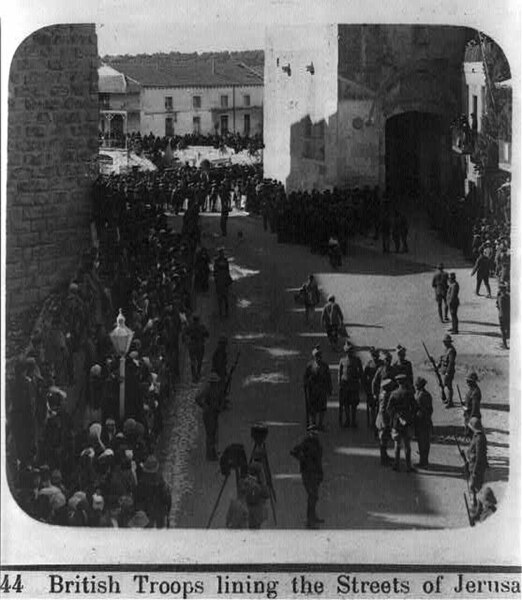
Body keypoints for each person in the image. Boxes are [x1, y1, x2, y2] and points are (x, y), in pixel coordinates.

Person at [290, 424, 324, 528]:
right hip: (308, 473)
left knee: (314, 496)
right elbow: (294, 451)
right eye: (314, 433)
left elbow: (318, 459)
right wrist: (303, 459)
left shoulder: (316, 443)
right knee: (312, 495)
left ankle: (313, 516)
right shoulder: (306, 443)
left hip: (315, 472)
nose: (316, 435)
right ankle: (310, 519)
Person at [387, 373, 417, 472]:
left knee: (397, 444)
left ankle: (396, 464)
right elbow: (415, 407)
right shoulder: (409, 393)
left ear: (397, 382)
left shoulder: (393, 394)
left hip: (397, 422)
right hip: (407, 421)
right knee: (407, 445)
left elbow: (389, 409)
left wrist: (396, 416)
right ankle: (408, 466)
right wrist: (410, 416)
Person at [135, 454, 171, 528]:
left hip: (146, 513)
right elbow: (167, 498)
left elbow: (137, 498)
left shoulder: (141, 481)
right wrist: (167, 512)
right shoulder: (161, 481)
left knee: (147, 534)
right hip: (159, 512)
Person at [195, 372, 224, 461]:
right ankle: (210, 454)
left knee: (214, 433)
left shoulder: (217, 389)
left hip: (214, 413)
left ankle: (213, 452)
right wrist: (205, 407)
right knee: (210, 434)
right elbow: (198, 398)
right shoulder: (207, 389)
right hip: (208, 414)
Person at [303, 346, 332, 431]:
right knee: (313, 407)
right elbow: (305, 377)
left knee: (322, 407)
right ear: (314, 356)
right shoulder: (310, 365)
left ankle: (320, 423)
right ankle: (314, 423)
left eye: (319, 356)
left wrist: (329, 389)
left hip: (322, 389)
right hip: (313, 390)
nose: (318, 358)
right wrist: (307, 382)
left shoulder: (325, 366)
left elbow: (328, 378)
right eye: (316, 356)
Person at [338, 342, 363, 428]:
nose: (349, 353)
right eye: (348, 351)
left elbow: (361, 372)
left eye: (351, 351)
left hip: (354, 385)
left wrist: (359, 381)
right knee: (346, 404)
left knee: (354, 404)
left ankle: (353, 420)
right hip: (345, 386)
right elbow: (340, 373)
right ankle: (348, 419)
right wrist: (340, 384)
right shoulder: (342, 360)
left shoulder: (357, 360)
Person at [466, 417, 488, 507]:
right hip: (472, 464)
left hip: (475, 467)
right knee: (473, 486)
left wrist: (475, 472)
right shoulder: (477, 435)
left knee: (473, 486)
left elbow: (479, 457)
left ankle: (475, 505)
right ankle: (475, 503)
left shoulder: (479, 439)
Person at [182, 314, 209, 383]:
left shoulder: (190, 327)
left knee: (193, 361)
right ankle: (198, 373)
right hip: (200, 346)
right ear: (198, 320)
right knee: (199, 361)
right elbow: (207, 334)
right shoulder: (201, 327)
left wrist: (186, 340)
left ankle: (194, 376)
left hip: (192, 346)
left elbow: (184, 333)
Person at [413, 377, 433, 468]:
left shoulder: (420, 396)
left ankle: (423, 462)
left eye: (416, 385)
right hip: (426, 421)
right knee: (424, 442)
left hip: (421, 421)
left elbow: (417, 407)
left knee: (422, 443)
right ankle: (424, 460)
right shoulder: (427, 394)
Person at [375, 378, 395, 466]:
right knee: (383, 438)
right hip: (383, 419)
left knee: (384, 438)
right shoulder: (386, 396)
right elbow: (385, 409)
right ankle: (383, 459)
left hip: (382, 418)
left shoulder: (383, 394)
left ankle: (385, 455)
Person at [363, 347, 381, 431]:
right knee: (372, 407)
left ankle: (379, 422)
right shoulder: (369, 364)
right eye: (374, 356)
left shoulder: (382, 364)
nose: (375, 357)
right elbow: (364, 377)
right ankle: (373, 421)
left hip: (380, 388)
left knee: (380, 406)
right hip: (371, 389)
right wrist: (366, 388)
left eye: (376, 356)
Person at [438, 334, 456, 408]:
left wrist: (447, 372)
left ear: (449, 342)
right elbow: (442, 358)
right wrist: (438, 365)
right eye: (444, 342)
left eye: (445, 342)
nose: (444, 343)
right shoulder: (446, 349)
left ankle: (450, 402)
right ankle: (447, 399)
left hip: (448, 371)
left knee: (448, 386)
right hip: (443, 370)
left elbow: (451, 363)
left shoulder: (451, 350)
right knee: (442, 385)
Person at [213, 248, 232, 318]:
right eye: (221, 253)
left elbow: (227, 271)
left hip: (224, 281)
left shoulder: (225, 261)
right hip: (220, 281)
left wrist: (228, 279)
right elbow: (215, 272)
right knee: (220, 298)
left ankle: (226, 312)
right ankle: (220, 312)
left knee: (226, 298)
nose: (222, 254)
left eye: (222, 253)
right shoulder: (217, 261)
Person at [496, 282, 510, 349]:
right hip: (508, 315)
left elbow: (498, 306)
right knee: (507, 329)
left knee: (502, 330)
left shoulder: (500, 297)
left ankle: (505, 345)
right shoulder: (508, 296)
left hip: (501, 316)